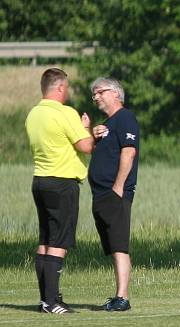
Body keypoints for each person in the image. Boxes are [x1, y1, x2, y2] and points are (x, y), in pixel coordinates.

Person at [25, 68, 94, 314]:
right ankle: (52, 301)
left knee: (45, 239)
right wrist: (87, 127)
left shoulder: (33, 114)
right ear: (60, 88)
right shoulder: (65, 113)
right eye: (67, 87)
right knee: (58, 240)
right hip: (62, 181)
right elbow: (86, 146)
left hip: (40, 180)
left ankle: (46, 298)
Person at [87, 77, 140, 311]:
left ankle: (123, 297)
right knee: (112, 246)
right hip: (101, 194)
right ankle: (118, 294)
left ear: (115, 94)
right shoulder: (108, 124)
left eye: (99, 92)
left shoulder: (125, 118)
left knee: (119, 245)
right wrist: (91, 132)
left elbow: (128, 153)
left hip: (114, 193)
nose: (95, 96)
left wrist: (118, 187)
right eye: (93, 94)